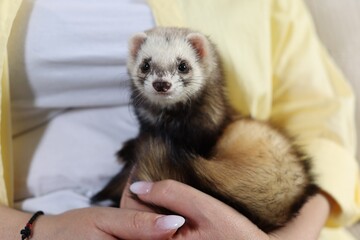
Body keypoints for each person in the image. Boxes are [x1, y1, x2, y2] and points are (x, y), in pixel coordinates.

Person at [0, 0, 359, 239]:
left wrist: (284, 239)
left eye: (181, 67)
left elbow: (319, 114)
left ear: (202, 59)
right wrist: (36, 230)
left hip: (268, 222)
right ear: (132, 59)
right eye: (148, 67)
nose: (161, 78)